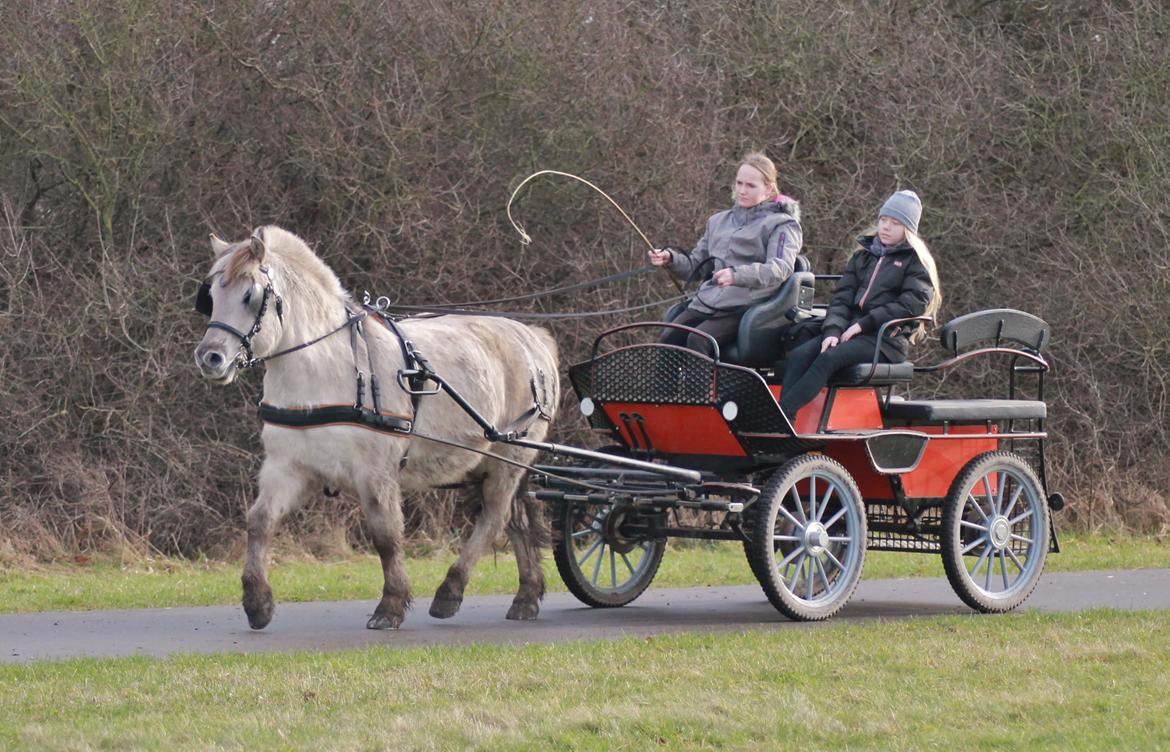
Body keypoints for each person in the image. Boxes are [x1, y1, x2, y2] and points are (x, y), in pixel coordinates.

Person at [778, 189, 942, 421]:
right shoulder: (863, 256)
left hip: (885, 340)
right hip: (850, 331)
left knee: (828, 358)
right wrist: (833, 331)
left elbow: (910, 304)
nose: (885, 227)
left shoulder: (915, 263)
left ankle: (780, 416)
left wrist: (863, 324)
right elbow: (842, 298)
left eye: (894, 223)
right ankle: (787, 423)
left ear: (908, 229)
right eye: (883, 220)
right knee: (800, 354)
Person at [648, 152, 802, 356]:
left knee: (698, 340)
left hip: (749, 305)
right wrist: (670, 259)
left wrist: (736, 275)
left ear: (769, 189)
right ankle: (666, 389)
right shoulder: (718, 221)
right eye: (739, 183)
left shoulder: (782, 225)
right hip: (710, 301)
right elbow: (696, 266)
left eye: (750, 186)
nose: (742, 190)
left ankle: (702, 389)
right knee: (670, 337)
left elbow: (780, 268)